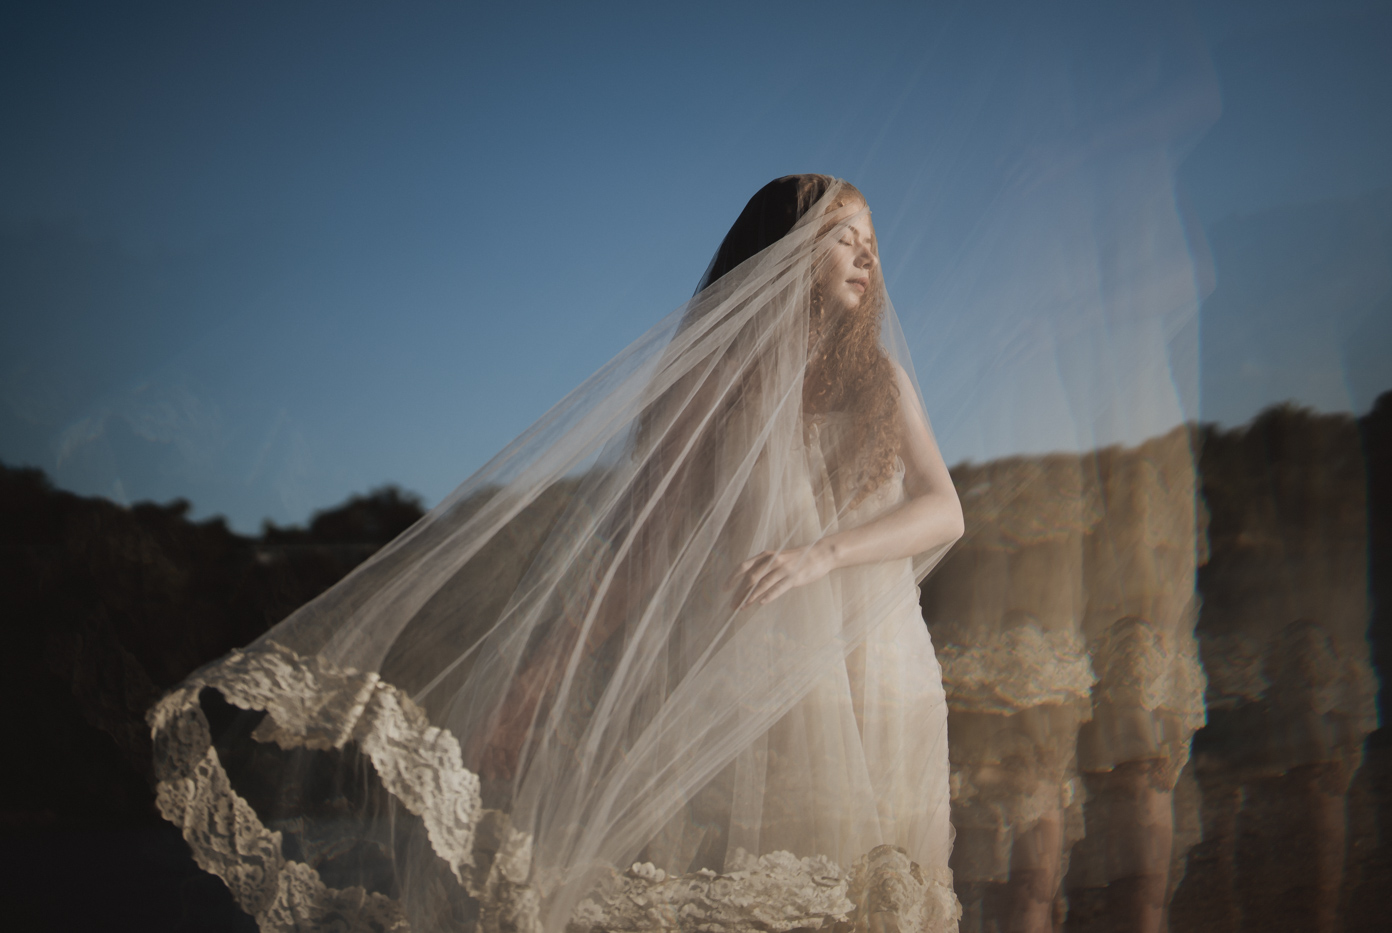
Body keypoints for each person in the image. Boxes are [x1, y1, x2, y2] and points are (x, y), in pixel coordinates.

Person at [150, 175, 964, 933]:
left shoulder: (882, 382)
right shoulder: (713, 389)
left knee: (890, 900)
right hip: (766, 693)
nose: (866, 256)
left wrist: (822, 554)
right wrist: (535, 679)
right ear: (781, 251)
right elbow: (642, 554)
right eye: (842, 236)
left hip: (889, 683)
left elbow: (943, 511)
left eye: (872, 242)